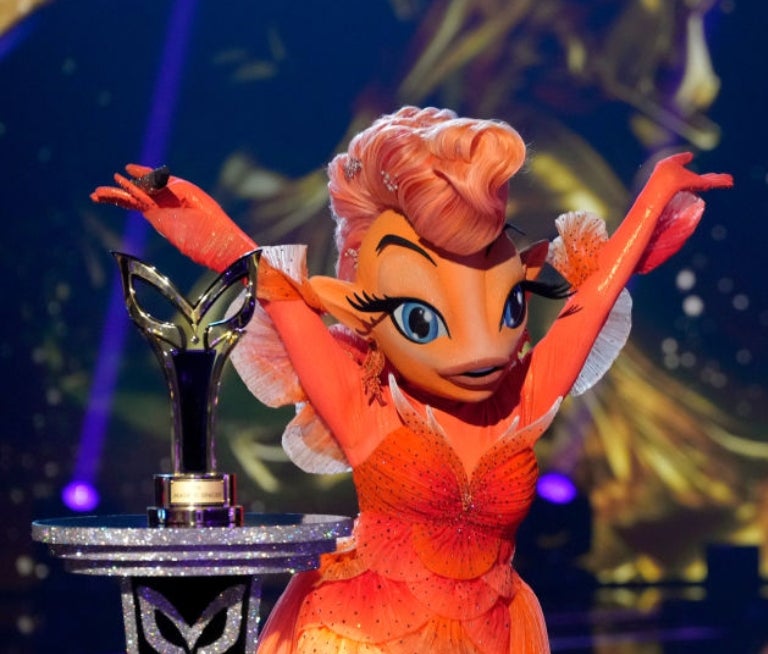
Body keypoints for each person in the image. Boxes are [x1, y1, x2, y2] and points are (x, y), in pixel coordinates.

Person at [92, 106, 731, 652]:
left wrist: (652, 198)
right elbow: (283, 298)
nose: (479, 348)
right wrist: (216, 236)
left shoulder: (522, 400)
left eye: (510, 305)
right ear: (358, 311)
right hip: (362, 635)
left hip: (492, 632)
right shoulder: (364, 403)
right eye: (421, 320)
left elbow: (591, 300)